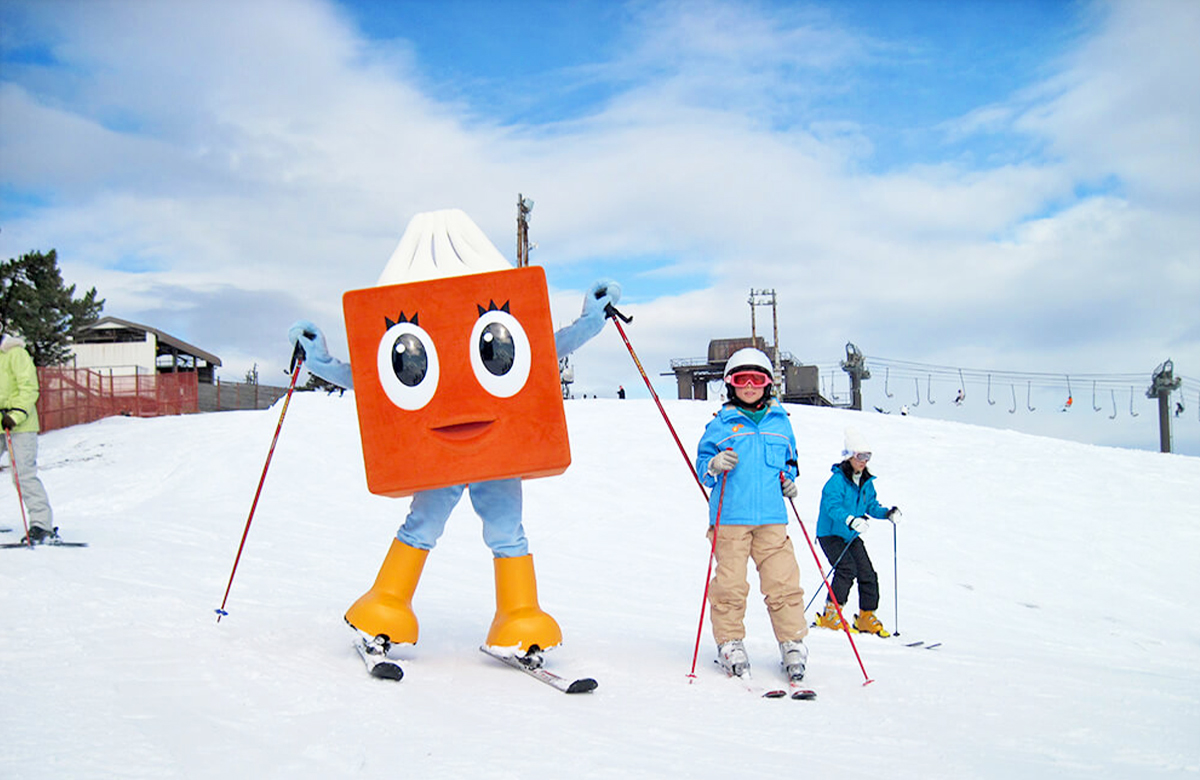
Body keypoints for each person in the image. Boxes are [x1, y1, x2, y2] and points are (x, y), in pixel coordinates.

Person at [290, 208, 620, 679]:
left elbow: (547, 349)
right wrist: (317, 359)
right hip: (436, 454)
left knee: (507, 531)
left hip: (498, 450)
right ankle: (382, 610)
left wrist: (591, 321)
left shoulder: (498, 323)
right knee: (422, 525)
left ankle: (518, 619)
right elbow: (369, 377)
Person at [695, 347, 808, 682]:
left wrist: (789, 481)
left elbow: (790, 462)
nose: (749, 386)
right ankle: (730, 641)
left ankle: (792, 643)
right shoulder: (721, 425)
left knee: (783, 581)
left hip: (772, 517)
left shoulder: (781, 423)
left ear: (767, 384)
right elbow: (702, 466)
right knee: (730, 584)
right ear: (731, 385)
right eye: (741, 380)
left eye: (756, 380)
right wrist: (713, 464)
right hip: (730, 518)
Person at [813, 427, 900, 636]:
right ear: (850, 456)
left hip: (851, 535)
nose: (864, 461)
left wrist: (887, 513)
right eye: (860, 456)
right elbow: (832, 508)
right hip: (831, 534)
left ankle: (866, 617)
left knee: (867, 573)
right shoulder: (836, 482)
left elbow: (871, 505)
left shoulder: (866, 482)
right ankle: (831, 615)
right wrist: (851, 520)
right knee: (846, 569)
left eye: (868, 457)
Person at [0, 332, 56, 544]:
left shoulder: (16, 353)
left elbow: (29, 388)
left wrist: (14, 415)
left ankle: (41, 524)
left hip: (19, 424)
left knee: (23, 475)